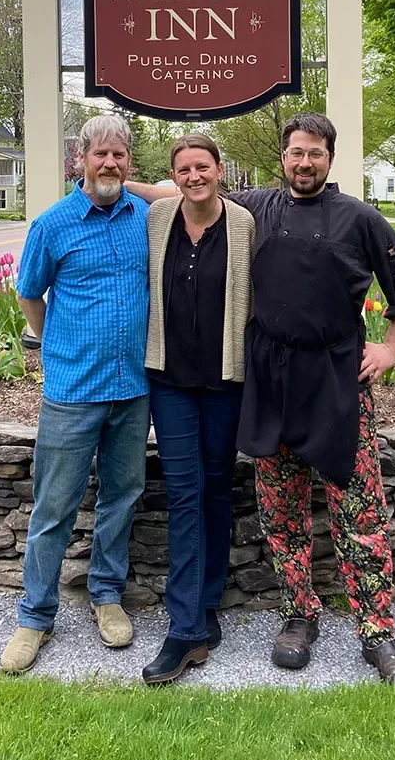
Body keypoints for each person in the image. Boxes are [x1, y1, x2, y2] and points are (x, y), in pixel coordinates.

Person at [127, 112, 395, 686]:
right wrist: (112, 183)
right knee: (281, 507)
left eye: (315, 153)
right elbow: (185, 185)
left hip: (336, 376)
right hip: (269, 375)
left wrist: (390, 347)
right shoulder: (258, 209)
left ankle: (378, 630)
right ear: (283, 158)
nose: (305, 163)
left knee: (356, 506)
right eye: (296, 153)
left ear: (330, 159)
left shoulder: (358, 217)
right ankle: (298, 615)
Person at [0, 115, 150, 674]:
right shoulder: (53, 225)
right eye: (100, 155)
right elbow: (30, 295)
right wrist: (56, 344)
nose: (110, 164)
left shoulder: (145, 219)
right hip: (72, 389)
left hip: (133, 387)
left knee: (122, 495)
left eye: (119, 155)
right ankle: (34, 617)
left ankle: (106, 596)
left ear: (128, 161)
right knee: (55, 506)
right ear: (80, 159)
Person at [141, 133, 255, 684]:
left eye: (202, 167)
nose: (194, 177)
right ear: (173, 176)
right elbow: (136, 190)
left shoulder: (243, 224)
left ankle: (208, 603)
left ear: (220, 169)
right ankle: (184, 630)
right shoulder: (158, 217)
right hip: (170, 382)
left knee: (216, 489)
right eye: (183, 169)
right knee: (184, 494)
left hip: (224, 381)